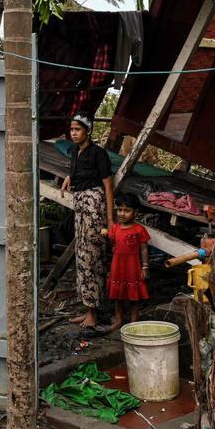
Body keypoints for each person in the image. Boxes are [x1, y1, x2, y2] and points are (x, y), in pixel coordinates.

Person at [60, 114, 114, 329]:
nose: (74, 133)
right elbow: (77, 172)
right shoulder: (75, 151)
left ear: (88, 131)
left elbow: (108, 186)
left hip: (94, 203)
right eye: (72, 129)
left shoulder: (98, 153)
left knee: (92, 255)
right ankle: (88, 308)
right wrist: (69, 177)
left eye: (78, 129)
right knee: (82, 255)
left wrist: (110, 219)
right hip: (80, 202)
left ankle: (95, 311)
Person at [106, 193, 149, 330]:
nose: (122, 214)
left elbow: (144, 250)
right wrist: (105, 236)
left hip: (133, 267)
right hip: (117, 266)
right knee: (118, 296)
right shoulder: (114, 228)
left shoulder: (139, 229)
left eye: (127, 210)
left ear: (135, 212)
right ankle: (118, 321)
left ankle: (133, 322)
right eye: (119, 210)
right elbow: (112, 245)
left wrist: (145, 266)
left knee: (134, 296)